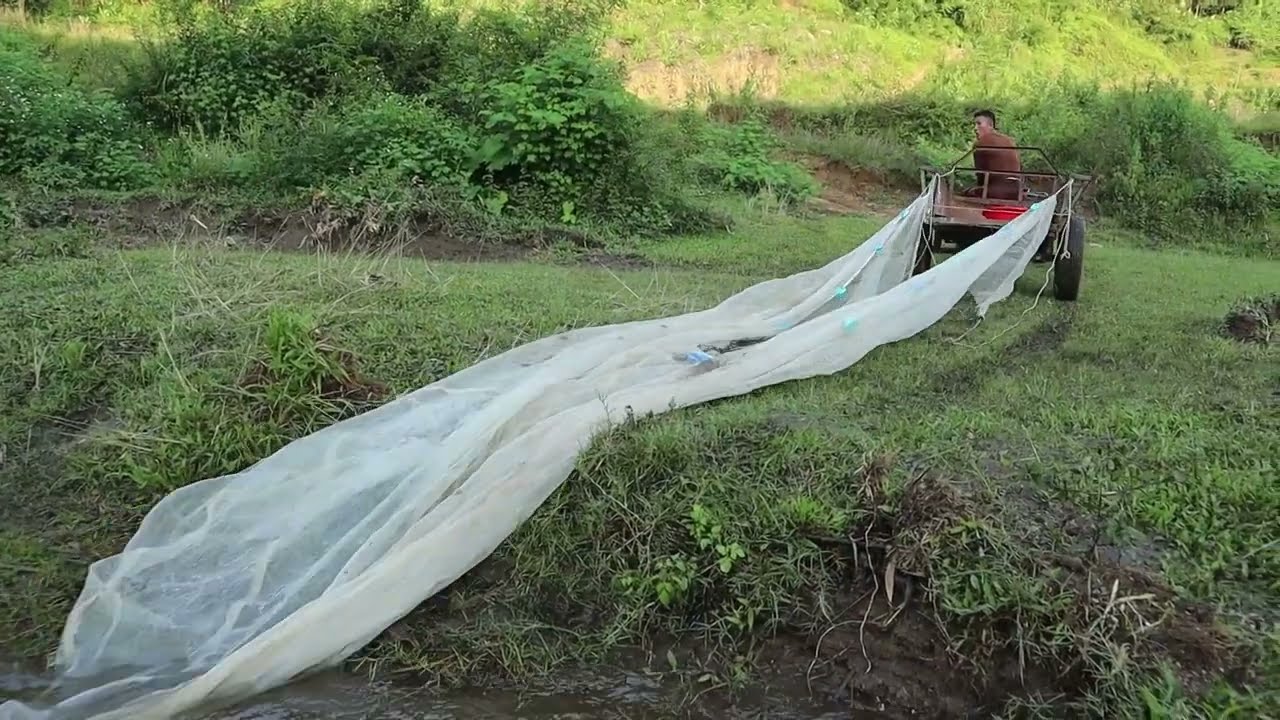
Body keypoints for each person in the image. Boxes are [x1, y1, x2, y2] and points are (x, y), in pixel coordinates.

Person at [963, 110, 1022, 200]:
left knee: (967, 192)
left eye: (979, 124)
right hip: (1017, 190)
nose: (975, 128)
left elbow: (980, 176)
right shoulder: (1008, 140)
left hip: (997, 191)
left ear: (990, 125)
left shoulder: (980, 143)